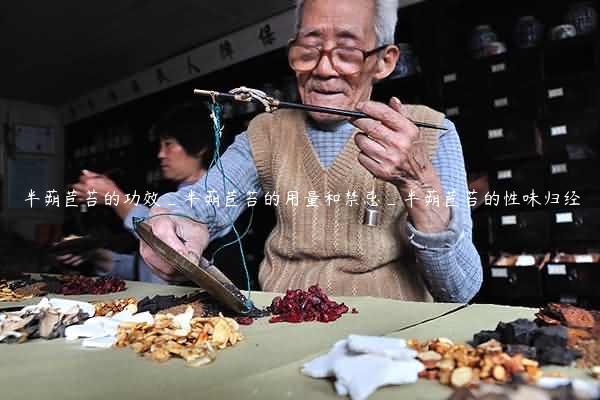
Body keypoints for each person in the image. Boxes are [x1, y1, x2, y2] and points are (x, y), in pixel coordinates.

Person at [140, 0, 483, 302]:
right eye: (308, 49)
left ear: (384, 61)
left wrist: (416, 183)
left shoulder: (430, 131)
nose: (323, 69)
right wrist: (174, 221)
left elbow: (460, 288)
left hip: (389, 340)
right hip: (285, 327)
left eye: (347, 52)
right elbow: (204, 203)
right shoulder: (266, 131)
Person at [58, 103, 214, 283]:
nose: (161, 154)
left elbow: (168, 247)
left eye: (169, 144)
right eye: (160, 145)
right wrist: (98, 257)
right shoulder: (174, 198)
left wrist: (115, 197)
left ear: (200, 147)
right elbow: (153, 270)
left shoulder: (211, 199)